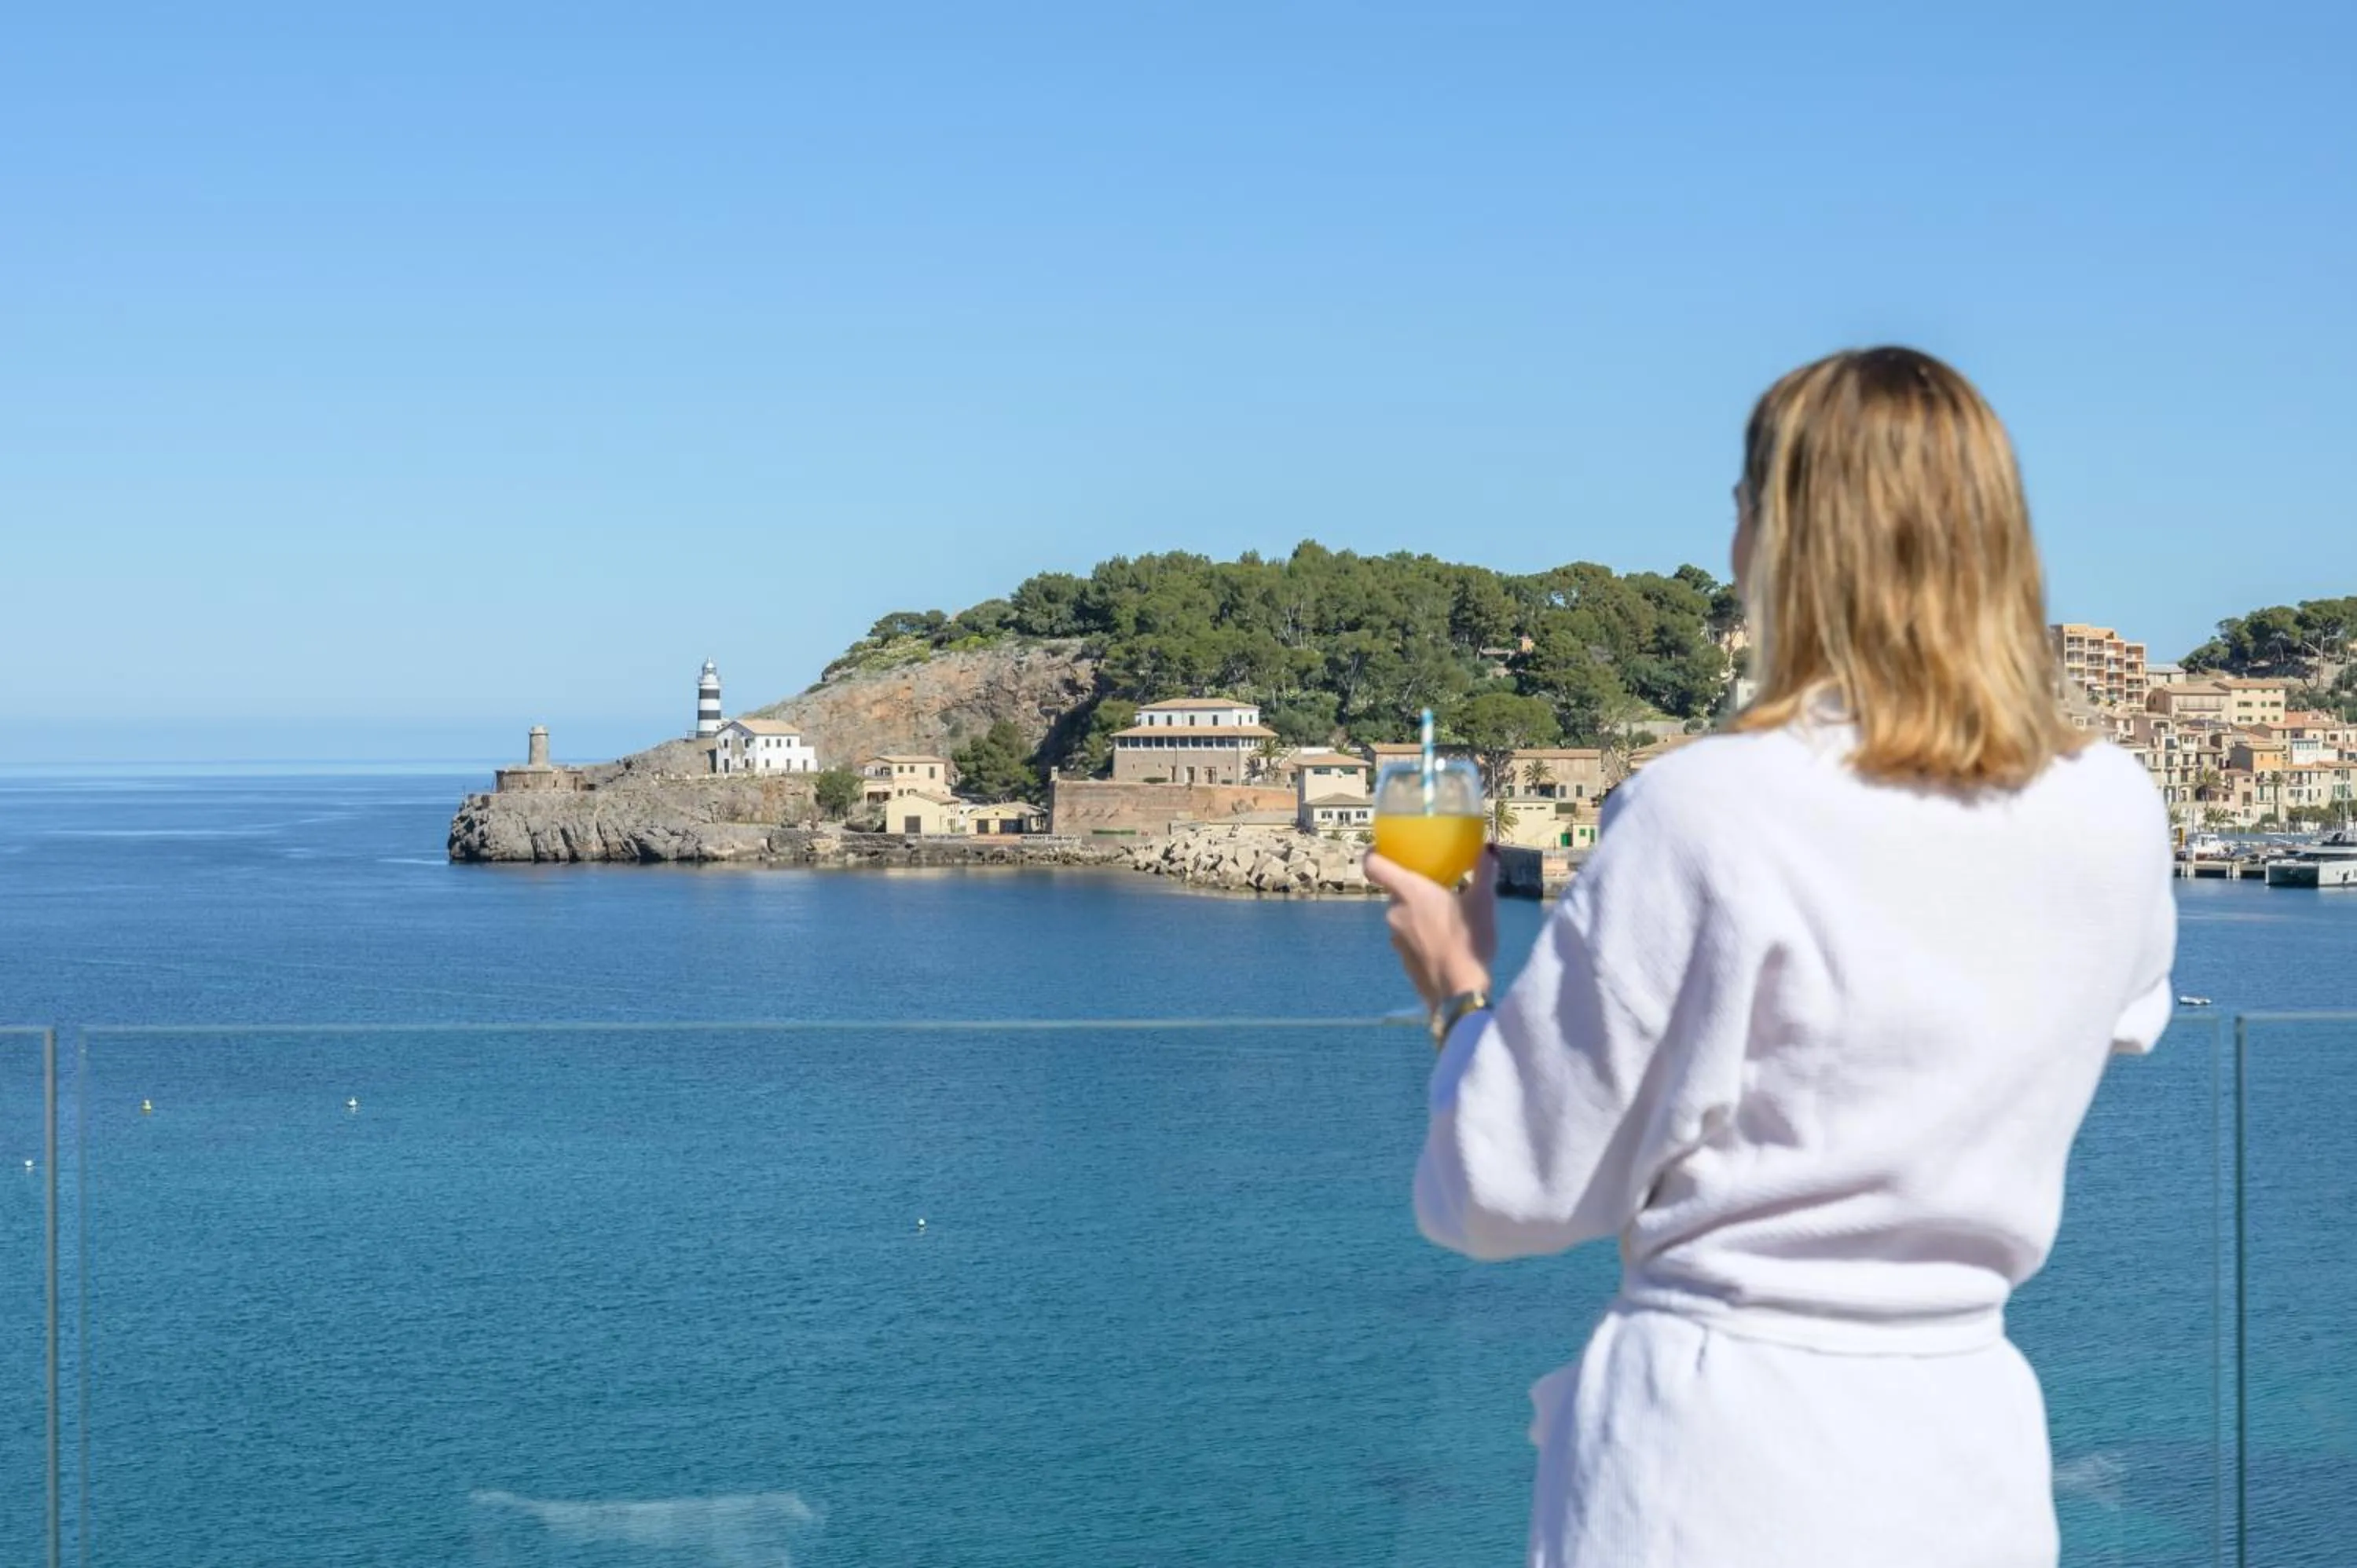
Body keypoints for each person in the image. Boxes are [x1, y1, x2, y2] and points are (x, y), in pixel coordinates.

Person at [1364, 346, 2176, 1568]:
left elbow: (1505, 1193)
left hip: (1721, 1466)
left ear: (1777, 540)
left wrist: (1459, 984)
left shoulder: (1709, 807)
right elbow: (2122, 1010)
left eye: (1745, 507)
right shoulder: (2114, 807)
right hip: (1968, 1460)